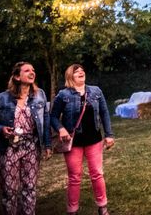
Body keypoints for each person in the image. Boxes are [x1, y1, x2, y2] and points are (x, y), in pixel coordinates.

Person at [50, 64, 114, 215]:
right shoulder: (63, 94)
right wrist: (61, 128)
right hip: (74, 142)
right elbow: (52, 116)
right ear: (70, 76)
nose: (81, 72)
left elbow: (105, 113)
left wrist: (109, 135)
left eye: (82, 70)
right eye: (76, 71)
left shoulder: (96, 91)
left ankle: (103, 208)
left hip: (94, 140)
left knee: (97, 173)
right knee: (74, 177)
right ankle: (72, 210)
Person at [0, 62, 51, 215]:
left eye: (33, 70)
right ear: (16, 76)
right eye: (27, 70)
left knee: (30, 188)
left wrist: (47, 145)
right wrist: (1, 129)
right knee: (9, 191)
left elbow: (45, 120)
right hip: (8, 148)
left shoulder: (39, 94)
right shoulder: (1, 98)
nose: (32, 72)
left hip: (32, 147)